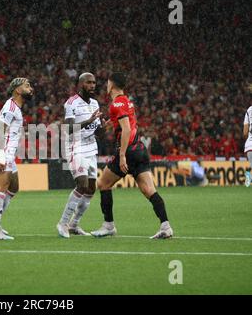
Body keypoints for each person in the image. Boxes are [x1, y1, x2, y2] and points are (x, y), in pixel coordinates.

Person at [91, 72, 174, 239]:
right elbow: (125, 124)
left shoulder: (116, 103)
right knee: (149, 190)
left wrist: (121, 155)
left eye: (107, 83)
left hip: (128, 151)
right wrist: (109, 125)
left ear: (112, 85)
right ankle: (166, 226)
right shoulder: (127, 102)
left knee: (103, 184)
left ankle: (108, 225)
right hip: (140, 150)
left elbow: (127, 129)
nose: (106, 86)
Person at [56, 73, 103, 238]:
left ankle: (74, 224)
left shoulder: (95, 103)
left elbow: (97, 130)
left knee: (91, 188)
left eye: (94, 83)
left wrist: (104, 127)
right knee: (82, 184)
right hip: (76, 147)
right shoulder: (71, 103)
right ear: (81, 84)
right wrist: (89, 121)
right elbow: (68, 128)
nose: (92, 86)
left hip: (91, 147)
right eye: (89, 83)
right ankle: (63, 223)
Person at [0, 78, 34, 240]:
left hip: (8, 155)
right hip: (2, 153)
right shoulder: (11, 107)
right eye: (27, 86)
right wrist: (1, 156)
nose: (31, 88)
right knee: (1, 188)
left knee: (13, 187)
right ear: (17, 90)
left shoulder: (17, 108)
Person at [243, 105, 252, 187]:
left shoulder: (249, 110)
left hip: (250, 144)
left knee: (251, 163)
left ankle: (249, 174)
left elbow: (245, 132)